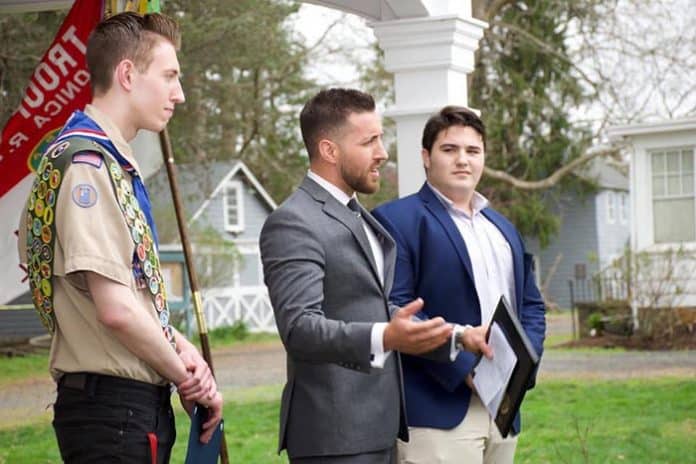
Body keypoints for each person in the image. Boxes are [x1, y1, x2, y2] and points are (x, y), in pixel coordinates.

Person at [17, 12, 222, 463]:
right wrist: (186, 379)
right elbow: (116, 310)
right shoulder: (87, 165)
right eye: (169, 76)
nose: (180, 94)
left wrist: (186, 355)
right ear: (127, 74)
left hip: (125, 409)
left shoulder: (109, 163)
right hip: (113, 413)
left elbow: (136, 296)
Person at [260, 89, 492, 464]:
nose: (382, 152)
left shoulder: (358, 215)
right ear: (330, 150)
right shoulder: (293, 221)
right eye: (369, 141)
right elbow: (300, 328)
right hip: (334, 437)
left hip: (380, 428)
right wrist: (385, 336)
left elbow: (377, 307)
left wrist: (457, 336)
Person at [372, 106, 546, 464]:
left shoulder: (503, 228)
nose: (462, 160)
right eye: (449, 150)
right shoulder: (396, 220)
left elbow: (530, 305)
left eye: (473, 151)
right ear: (426, 157)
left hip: (503, 410)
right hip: (436, 412)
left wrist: (520, 369)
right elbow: (395, 308)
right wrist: (463, 368)